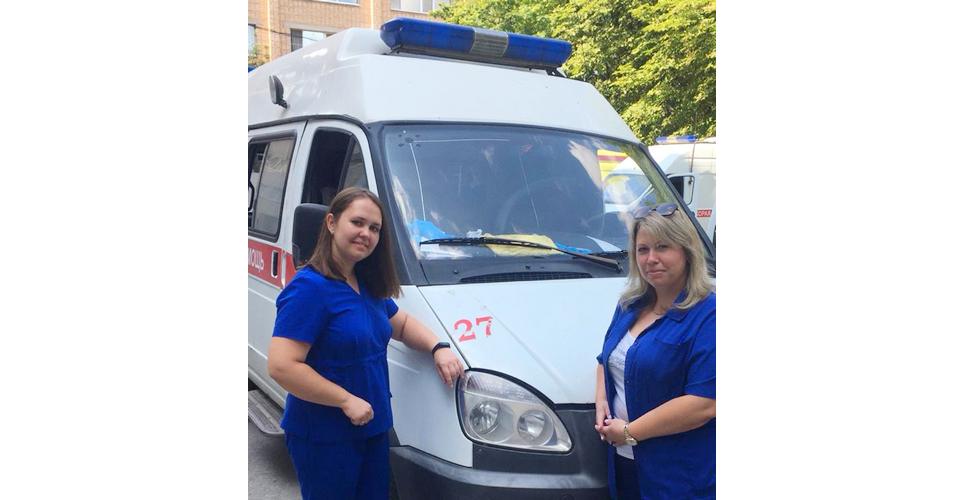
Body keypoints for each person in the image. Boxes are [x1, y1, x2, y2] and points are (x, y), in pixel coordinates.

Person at [267, 187, 465, 500]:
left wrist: (438, 347)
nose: (366, 234)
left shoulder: (366, 284)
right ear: (332, 223)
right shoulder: (309, 289)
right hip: (326, 436)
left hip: (373, 427)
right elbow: (282, 366)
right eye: (357, 222)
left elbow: (401, 324)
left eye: (374, 228)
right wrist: (345, 400)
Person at [593, 202, 716, 499]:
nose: (651, 259)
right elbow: (605, 359)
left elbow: (705, 403)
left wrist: (629, 432)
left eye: (663, 247)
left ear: (686, 251)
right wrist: (601, 400)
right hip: (625, 463)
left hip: (678, 475)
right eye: (643, 249)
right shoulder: (630, 305)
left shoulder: (709, 315)